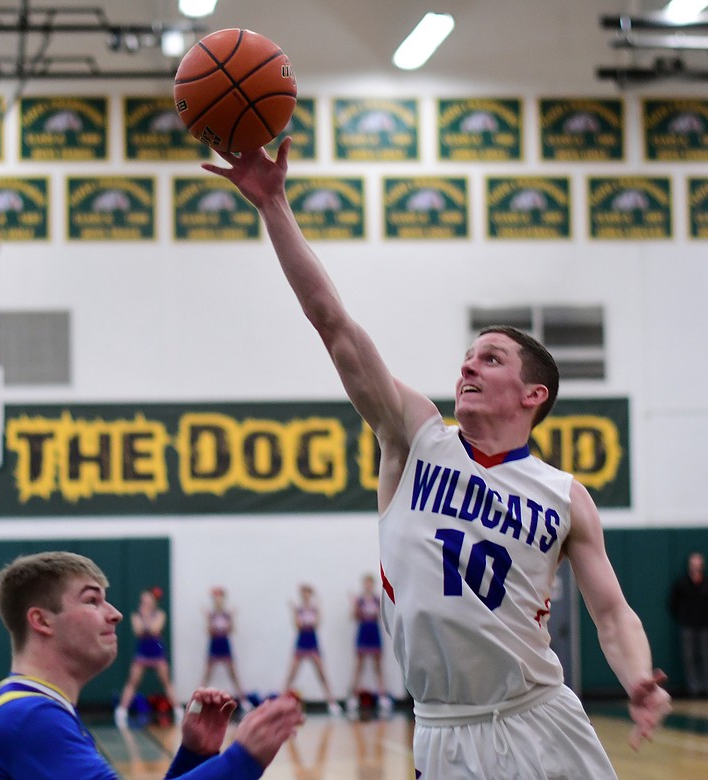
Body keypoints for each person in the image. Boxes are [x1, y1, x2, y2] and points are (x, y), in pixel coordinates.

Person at [203, 140, 670, 778]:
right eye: (468, 356)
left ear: (534, 395)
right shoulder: (414, 435)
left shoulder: (564, 495)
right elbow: (335, 325)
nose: (468, 365)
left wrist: (639, 678)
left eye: (491, 358)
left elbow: (611, 611)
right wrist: (274, 204)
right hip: (446, 729)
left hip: (542, 717)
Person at [0, 551, 305, 780]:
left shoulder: (29, 708)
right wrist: (243, 759)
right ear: (42, 620)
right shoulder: (29, 718)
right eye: (92, 600)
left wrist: (194, 757)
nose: (115, 613)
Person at [115, 587, 180, 727]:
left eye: (147, 598)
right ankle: (122, 710)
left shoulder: (160, 614)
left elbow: (155, 628)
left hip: (157, 651)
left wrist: (147, 621)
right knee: (133, 681)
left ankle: (178, 710)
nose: (144, 600)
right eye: (143, 598)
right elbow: (138, 631)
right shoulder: (136, 614)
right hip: (142, 651)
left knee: (166, 681)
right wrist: (144, 620)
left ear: (153, 601)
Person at [282, 584, 342, 716]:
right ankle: (280, 702)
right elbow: (298, 626)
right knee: (292, 673)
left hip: (312, 641)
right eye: (303, 593)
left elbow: (316, 624)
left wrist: (317, 611)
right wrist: (294, 611)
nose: (306, 595)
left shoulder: (315, 609)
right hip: (301, 641)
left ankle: (331, 702)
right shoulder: (298, 610)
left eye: (308, 592)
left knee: (321, 673)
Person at [667, 552, 708, 697]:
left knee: (706, 656)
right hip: (687, 625)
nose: (696, 567)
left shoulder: (707, 583)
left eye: (699, 564)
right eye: (694, 564)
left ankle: (707, 688)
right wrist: (683, 617)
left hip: (704, 625)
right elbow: (673, 603)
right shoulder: (682, 583)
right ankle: (693, 688)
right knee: (689, 657)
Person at [345, 574, 393, 714]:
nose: (368, 586)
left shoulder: (377, 599)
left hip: (374, 632)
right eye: (366, 583)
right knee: (359, 666)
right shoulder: (359, 600)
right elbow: (353, 616)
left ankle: (383, 696)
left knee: (378, 666)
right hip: (363, 632)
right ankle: (353, 696)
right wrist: (353, 605)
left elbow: (382, 616)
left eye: (370, 583)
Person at [201, 587, 249, 708]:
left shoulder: (227, 615)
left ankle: (243, 700)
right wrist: (207, 619)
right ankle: (198, 700)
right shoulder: (211, 615)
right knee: (207, 674)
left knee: (233, 673)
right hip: (214, 644)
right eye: (216, 599)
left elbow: (232, 630)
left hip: (225, 644)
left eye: (220, 599)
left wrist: (232, 618)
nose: (218, 601)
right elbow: (208, 631)